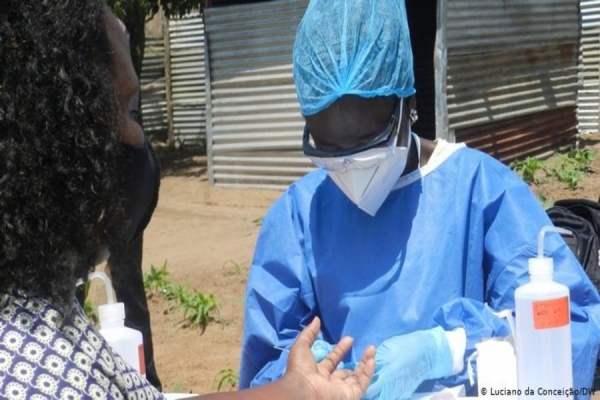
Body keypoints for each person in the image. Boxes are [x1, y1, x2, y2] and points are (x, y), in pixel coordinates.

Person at [0, 1, 376, 399]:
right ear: (56, 139)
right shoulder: (41, 376)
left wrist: (299, 390)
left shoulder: (34, 312)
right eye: (129, 110)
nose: (138, 136)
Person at [238, 0, 600, 398]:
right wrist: (308, 375)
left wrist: (450, 351)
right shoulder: (299, 217)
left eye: (366, 146)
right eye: (329, 150)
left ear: (408, 105)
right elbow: (266, 370)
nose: (350, 166)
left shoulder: (480, 190)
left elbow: (570, 334)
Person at [75, 12, 163, 390]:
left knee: (127, 293)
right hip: (84, 182)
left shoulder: (112, 27)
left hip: (118, 184)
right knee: (66, 286)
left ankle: (145, 379)